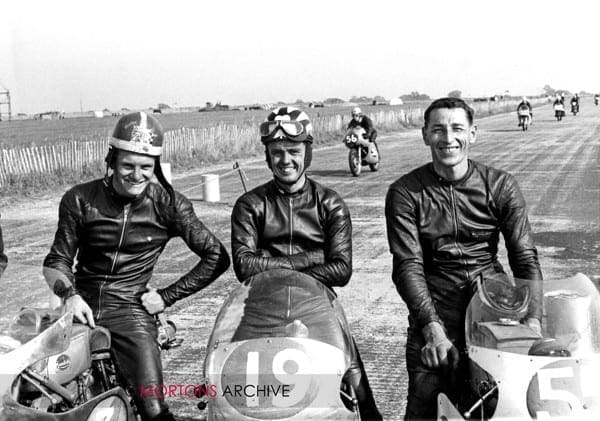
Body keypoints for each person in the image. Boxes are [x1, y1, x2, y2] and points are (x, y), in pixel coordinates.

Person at [43, 111, 230, 421]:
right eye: (128, 165)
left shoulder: (169, 204)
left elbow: (216, 256)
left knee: (153, 407)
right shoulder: (78, 199)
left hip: (130, 309)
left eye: (146, 167)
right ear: (112, 160)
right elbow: (56, 261)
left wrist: (167, 296)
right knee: (41, 390)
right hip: (78, 304)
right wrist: (69, 294)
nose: (137, 175)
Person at [385, 97, 543, 420]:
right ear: (425, 135)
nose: (448, 138)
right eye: (438, 129)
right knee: (424, 407)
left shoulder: (500, 185)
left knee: (506, 407)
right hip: (434, 310)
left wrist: (534, 320)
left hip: (494, 312)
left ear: (473, 134)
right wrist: (432, 329)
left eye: (457, 128)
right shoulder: (404, 193)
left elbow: (524, 257)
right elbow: (407, 266)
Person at [231, 106, 382, 420]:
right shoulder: (250, 205)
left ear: (307, 153)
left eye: (293, 151)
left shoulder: (330, 203)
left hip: (317, 308)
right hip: (261, 309)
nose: (285, 160)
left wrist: (271, 263)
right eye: (277, 152)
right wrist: (312, 258)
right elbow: (244, 266)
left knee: (358, 394)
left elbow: (341, 269)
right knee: (231, 391)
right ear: (267, 155)